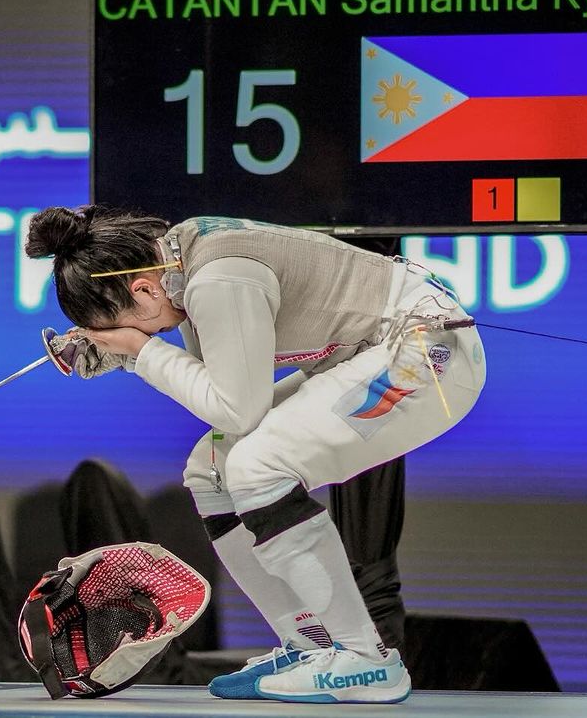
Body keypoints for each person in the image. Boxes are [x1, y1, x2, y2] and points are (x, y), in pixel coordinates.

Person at [26, 206, 486, 704]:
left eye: (131, 327)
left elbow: (236, 409)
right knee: (212, 470)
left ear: (140, 289)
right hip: (383, 355)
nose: (149, 335)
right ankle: (313, 644)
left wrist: (140, 353)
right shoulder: (181, 260)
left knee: (257, 465)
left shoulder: (216, 278)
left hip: (426, 356)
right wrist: (128, 351)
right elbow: (222, 377)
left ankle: (364, 659)